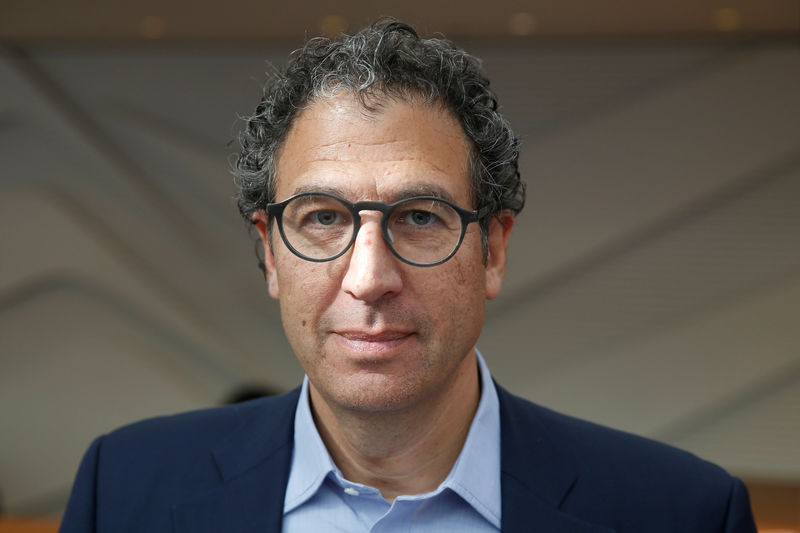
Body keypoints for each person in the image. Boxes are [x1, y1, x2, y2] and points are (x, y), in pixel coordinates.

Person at [60, 19, 757, 533]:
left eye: (420, 216)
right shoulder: (123, 492)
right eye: (323, 217)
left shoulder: (681, 513)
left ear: (493, 251)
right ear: (271, 252)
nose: (369, 278)